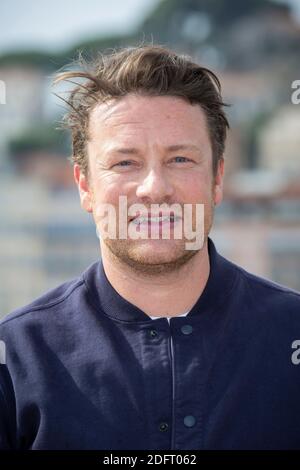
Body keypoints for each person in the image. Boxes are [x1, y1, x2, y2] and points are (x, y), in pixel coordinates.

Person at [0, 45, 300, 451]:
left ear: (217, 179)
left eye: (179, 159)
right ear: (85, 185)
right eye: (125, 162)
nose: (154, 189)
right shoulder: (16, 360)